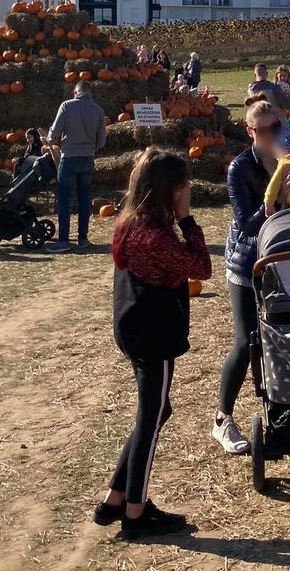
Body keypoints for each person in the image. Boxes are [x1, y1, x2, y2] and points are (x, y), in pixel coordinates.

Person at [96, 148, 209, 539]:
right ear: (170, 190)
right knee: (151, 417)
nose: (187, 190)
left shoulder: (132, 220)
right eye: (183, 186)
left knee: (157, 412)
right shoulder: (156, 236)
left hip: (135, 328)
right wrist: (188, 218)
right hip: (152, 333)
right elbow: (201, 267)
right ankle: (136, 512)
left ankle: (116, 498)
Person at [215, 100, 284, 455]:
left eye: (277, 126)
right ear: (250, 132)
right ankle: (222, 418)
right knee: (247, 340)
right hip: (246, 262)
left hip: (283, 260)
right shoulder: (240, 168)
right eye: (263, 129)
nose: (272, 134)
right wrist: (272, 201)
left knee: (284, 332)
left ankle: (287, 404)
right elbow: (245, 224)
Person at [47, 80, 108, 251]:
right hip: (88, 158)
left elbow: (55, 132)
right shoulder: (98, 110)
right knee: (84, 199)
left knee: (64, 199)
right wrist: (92, 147)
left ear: (76, 92)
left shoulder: (66, 106)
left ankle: (64, 240)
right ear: (90, 93)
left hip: (69, 157)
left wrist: (51, 140)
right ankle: (82, 238)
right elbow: (102, 140)